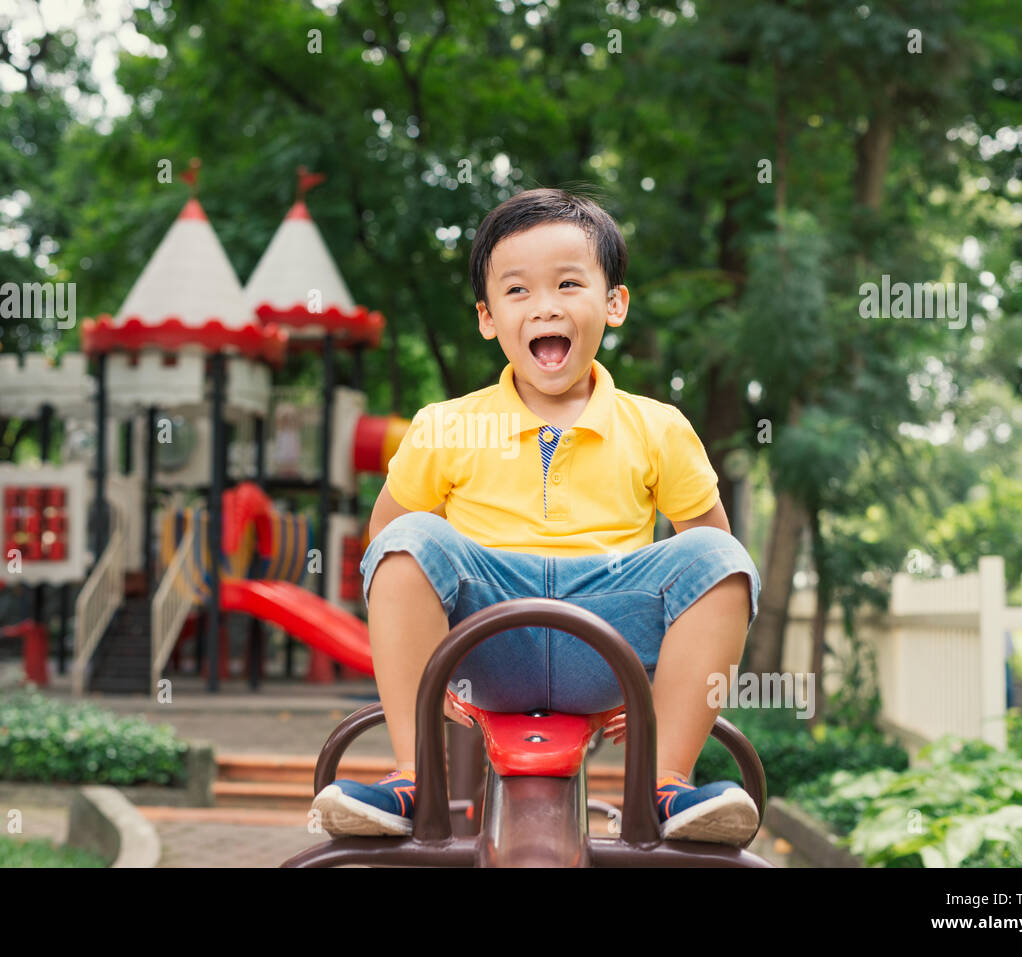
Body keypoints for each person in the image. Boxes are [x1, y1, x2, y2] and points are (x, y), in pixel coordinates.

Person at [310, 187, 764, 846]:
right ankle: (414, 777)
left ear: (615, 303)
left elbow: (707, 549)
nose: (545, 305)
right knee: (409, 538)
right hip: (485, 640)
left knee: (724, 560)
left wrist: (662, 684)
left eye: (570, 283)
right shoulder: (445, 426)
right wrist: (427, 668)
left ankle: (666, 781)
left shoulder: (658, 427)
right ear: (487, 317)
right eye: (517, 290)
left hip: (606, 638)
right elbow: (384, 541)